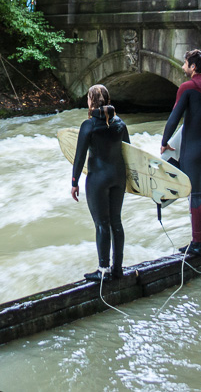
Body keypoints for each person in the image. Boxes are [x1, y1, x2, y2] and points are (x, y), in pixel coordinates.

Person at [161, 50, 201, 256]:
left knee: (195, 195)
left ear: (193, 67)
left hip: (193, 149)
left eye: (185, 62)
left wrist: (164, 142)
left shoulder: (187, 87)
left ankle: (197, 243)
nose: (183, 65)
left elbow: (174, 118)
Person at [71, 84, 131, 281]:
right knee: (116, 222)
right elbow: (129, 152)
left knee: (102, 224)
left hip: (98, 179)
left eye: (88, 98)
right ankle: (118, 268)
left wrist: (74, 182)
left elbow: (79, 157)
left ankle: (103, 269)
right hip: (118, 177)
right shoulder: (120, 123)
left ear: (92, 101)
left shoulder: (88, 126)